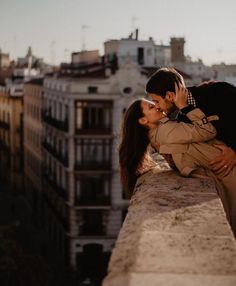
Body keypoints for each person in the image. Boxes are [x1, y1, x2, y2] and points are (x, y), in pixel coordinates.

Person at [119, 84, 236, 236]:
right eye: (151, 106)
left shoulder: (157, 137)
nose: (157, 106)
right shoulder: (166, 130)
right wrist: (185, 107)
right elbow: (208, 130)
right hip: (226, 170)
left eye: (155, 102)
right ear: (142, 120)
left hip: (221, 169)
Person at [145, 67, 236, 177]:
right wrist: (171, 159)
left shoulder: (218, 92)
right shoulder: (180, 118)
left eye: (157, 101)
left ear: (169, 96)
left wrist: (234, 151)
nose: (157, 107)